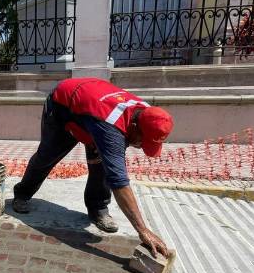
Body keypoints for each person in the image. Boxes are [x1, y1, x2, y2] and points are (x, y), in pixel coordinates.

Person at [12, 77, 174, 257]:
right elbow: (119, 181)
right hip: (63, 106)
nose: (139, 146)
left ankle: (98, 208)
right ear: (135, 125)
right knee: (47, 156)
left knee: (102, 164)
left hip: (92, 110)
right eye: (141, 141)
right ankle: (22, 194)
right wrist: (142, 229)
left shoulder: (145, 113)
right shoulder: (111, 127)